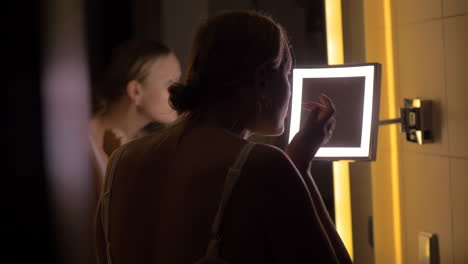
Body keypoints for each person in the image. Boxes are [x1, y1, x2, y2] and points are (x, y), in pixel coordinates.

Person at [95, 10, 352, 264]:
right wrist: (300, 166)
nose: (290, 87)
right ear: (262, 79)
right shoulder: (262, 166)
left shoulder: (121, 162)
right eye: (287, 74)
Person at [89, 39, 181, 192]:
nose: (179, 92)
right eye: (170, 85)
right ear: (135, 91)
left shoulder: (144, 146)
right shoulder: (79, 143)